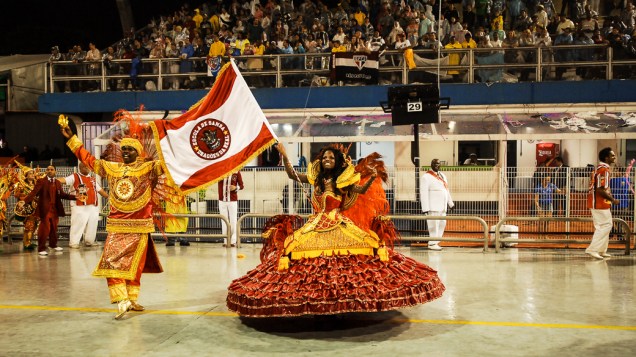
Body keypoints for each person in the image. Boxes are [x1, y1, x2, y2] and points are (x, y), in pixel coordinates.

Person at [226, 143, 445, 317]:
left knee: (361, 255)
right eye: (324, 157)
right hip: (315, 224)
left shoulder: (343, 181)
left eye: (331, 157)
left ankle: (347, 297)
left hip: (339, 224)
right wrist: (284, 155)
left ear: (337, 161)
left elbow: (359, 189)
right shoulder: (315, 179)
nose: (327, 159)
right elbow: (293, 175)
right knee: (292, 253)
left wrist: (372, 176)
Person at [61, 124, 164, 319]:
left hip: (140, 226)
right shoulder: (112, 168)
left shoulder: (149, 168)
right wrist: (72, 139)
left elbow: (170, 165)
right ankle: (121, 299)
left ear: (138, 152)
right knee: (110, 262)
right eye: (123, 148)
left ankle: (131, 300)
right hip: (117, 226)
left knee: (136, 265)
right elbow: (89, 160)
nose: (125, 152)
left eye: (130, 149)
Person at [19, 165, 75, 256]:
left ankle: (53, 245)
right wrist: (24, 201)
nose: (49, 171)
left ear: (55, 171)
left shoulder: (57, 182)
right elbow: (34, 192)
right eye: (48, 169)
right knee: (44, 229)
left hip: (55, 209)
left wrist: (76, 197)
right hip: (45, 209)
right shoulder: (41, 181)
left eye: (52, 170)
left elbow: (62, 195)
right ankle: (41, 248)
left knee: (54, 228)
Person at [60, 162, 108, 249]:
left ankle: (89, 241)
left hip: (93, 206)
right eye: (85, 167)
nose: (87, 168)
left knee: (92, 224)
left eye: (88, 167)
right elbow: (63, 180)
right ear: (80, 167)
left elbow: (100, 190)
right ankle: (74, 243)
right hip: (79, 206)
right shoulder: (74, 176)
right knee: (78, 224)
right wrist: (51, 180)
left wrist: (109, 197)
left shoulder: (92, 178)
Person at [585, 147, 620, 260]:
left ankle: (601, 250)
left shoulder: (599, 168)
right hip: (599, 203)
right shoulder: (604, 170)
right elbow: (600, 189)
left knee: (604, 225)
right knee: (605, 226)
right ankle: (593, 249)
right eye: (612, 155)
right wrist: (613, 199)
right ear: (606, 158)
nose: (614, 157)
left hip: (599, 203)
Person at [420, 159, 454, 251]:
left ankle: (436, 242)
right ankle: (432, 243)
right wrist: (425, 208)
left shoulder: (443, 175)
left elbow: (446, 190)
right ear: (431, 164)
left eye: (438, 164)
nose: (436, 165)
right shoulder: (426, 177)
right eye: (434, 164)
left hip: (443, 207)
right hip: (433, 207)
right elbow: (423, 193)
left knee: (442, 224)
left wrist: (450, 203)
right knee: (433, 225)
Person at [12, 163, 42, 250]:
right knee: (29, 225)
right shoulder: (22, 185)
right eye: (30, 173)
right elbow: (16, 194)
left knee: (35, 225)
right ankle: (27, 243)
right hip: (27, 208)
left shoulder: (36, 184)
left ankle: (29, 241)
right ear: (26, 175)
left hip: (35, 207)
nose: (32, 175)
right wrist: (26, 197)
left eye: (33, 173)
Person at [217, 171, 244, 247]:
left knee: (233, 220)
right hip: (222, 200)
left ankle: (233, 241)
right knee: (224, 220)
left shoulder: (236, 172)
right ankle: (225, 241)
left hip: (232, 200)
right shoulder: (220, 170)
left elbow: (242, 185)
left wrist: (236, 187)